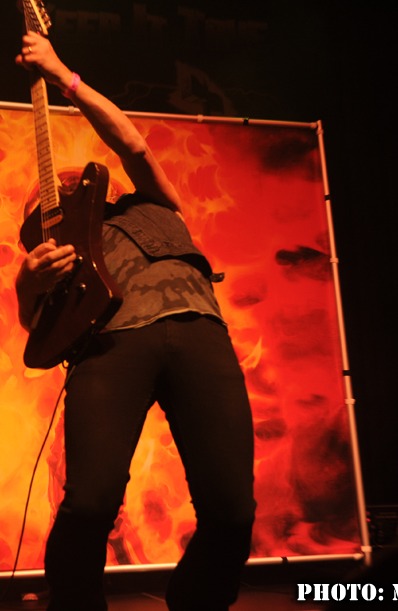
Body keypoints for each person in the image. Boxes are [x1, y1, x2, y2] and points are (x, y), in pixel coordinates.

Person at [15, 33, 255, 611]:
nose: (65, 187)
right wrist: (28, 282)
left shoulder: (154, 201)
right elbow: (37, 335)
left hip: (198, 329)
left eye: (74, 181)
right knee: (90, 503)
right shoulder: (60, 254)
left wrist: (61, 74)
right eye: (49, 196)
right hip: (109, 346)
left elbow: (131, 141)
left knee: (232, 510)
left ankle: (195, 602)